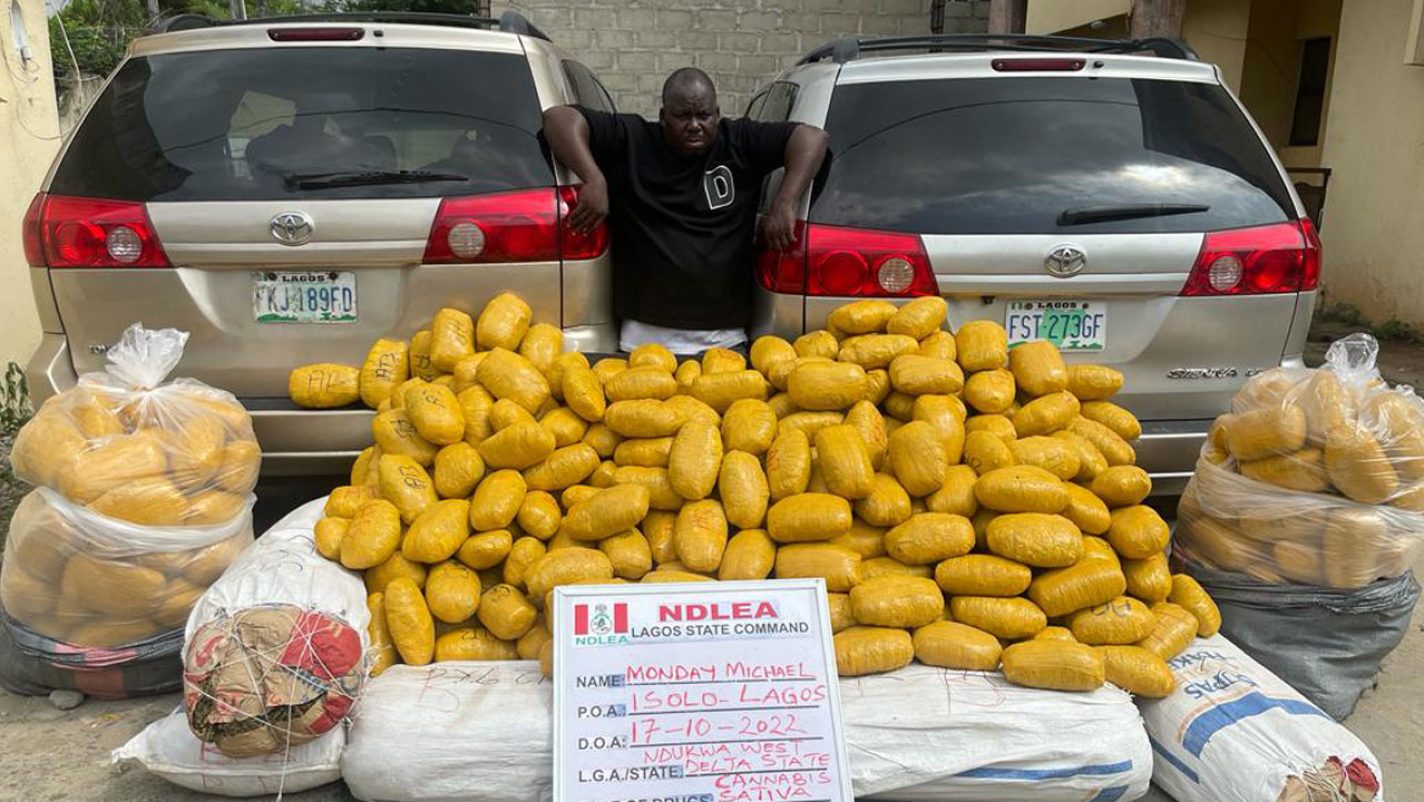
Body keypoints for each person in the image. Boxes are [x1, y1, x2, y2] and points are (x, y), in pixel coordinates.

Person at [543, 67, 829, 354]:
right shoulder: (633, 139)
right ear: (663, 115)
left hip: (725, 342)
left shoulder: (740, 141)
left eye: (703, 116)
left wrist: (785, 200)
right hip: (643, 343)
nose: (694, 125)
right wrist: (593, 178)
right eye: (682, 116)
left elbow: (812, 138)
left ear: (716, 114)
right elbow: (558, 119)